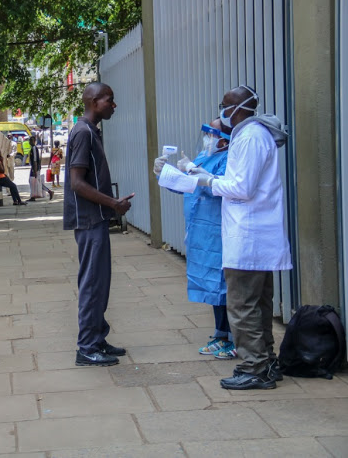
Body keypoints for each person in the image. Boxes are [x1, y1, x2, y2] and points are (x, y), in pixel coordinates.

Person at [191, 85, 291, 390]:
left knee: (242, 306)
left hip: (248, 237)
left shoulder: (248, 137)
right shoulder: (256, 135)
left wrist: (206, 181)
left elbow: (241, 188)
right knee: (259, 304)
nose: (221, 111)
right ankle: (267, 362)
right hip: (259, 237)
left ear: (238, 108)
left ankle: (254, 367)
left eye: (224, 105)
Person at [64, 82, 134, 367]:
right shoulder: (82, 133)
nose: (113, 105)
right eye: (109, 100)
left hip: (97, 218)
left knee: (100, 282)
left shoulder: (91, 131)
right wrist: (113, 203)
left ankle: (97, 337)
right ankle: (87, 346)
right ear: (94, 102)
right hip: (90, 219)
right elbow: (77, 183)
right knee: (92, 283)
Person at [154, 119, 236, 360]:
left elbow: (217, 187)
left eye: (211, 133)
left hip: (217, 229)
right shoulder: (204, 155)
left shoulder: (229, 158)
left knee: (224, 284)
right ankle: (220, 333)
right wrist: (164, 173)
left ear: (223, 138)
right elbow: (187, 185)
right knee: (211, 284)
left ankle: (232, 338)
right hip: (200, 230)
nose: (206, 138)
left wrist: (193, 171)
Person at [28, 136, 54, 201]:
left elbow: (35, 160)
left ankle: (34, 196)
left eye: (31, 141)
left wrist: (35, 170)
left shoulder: (34, 148)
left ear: (34, 141)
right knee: (35, 182)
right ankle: (48, 192)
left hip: (35, 168)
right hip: (35, 167)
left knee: (33, 181)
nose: (29, 142)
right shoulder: (33, 148)